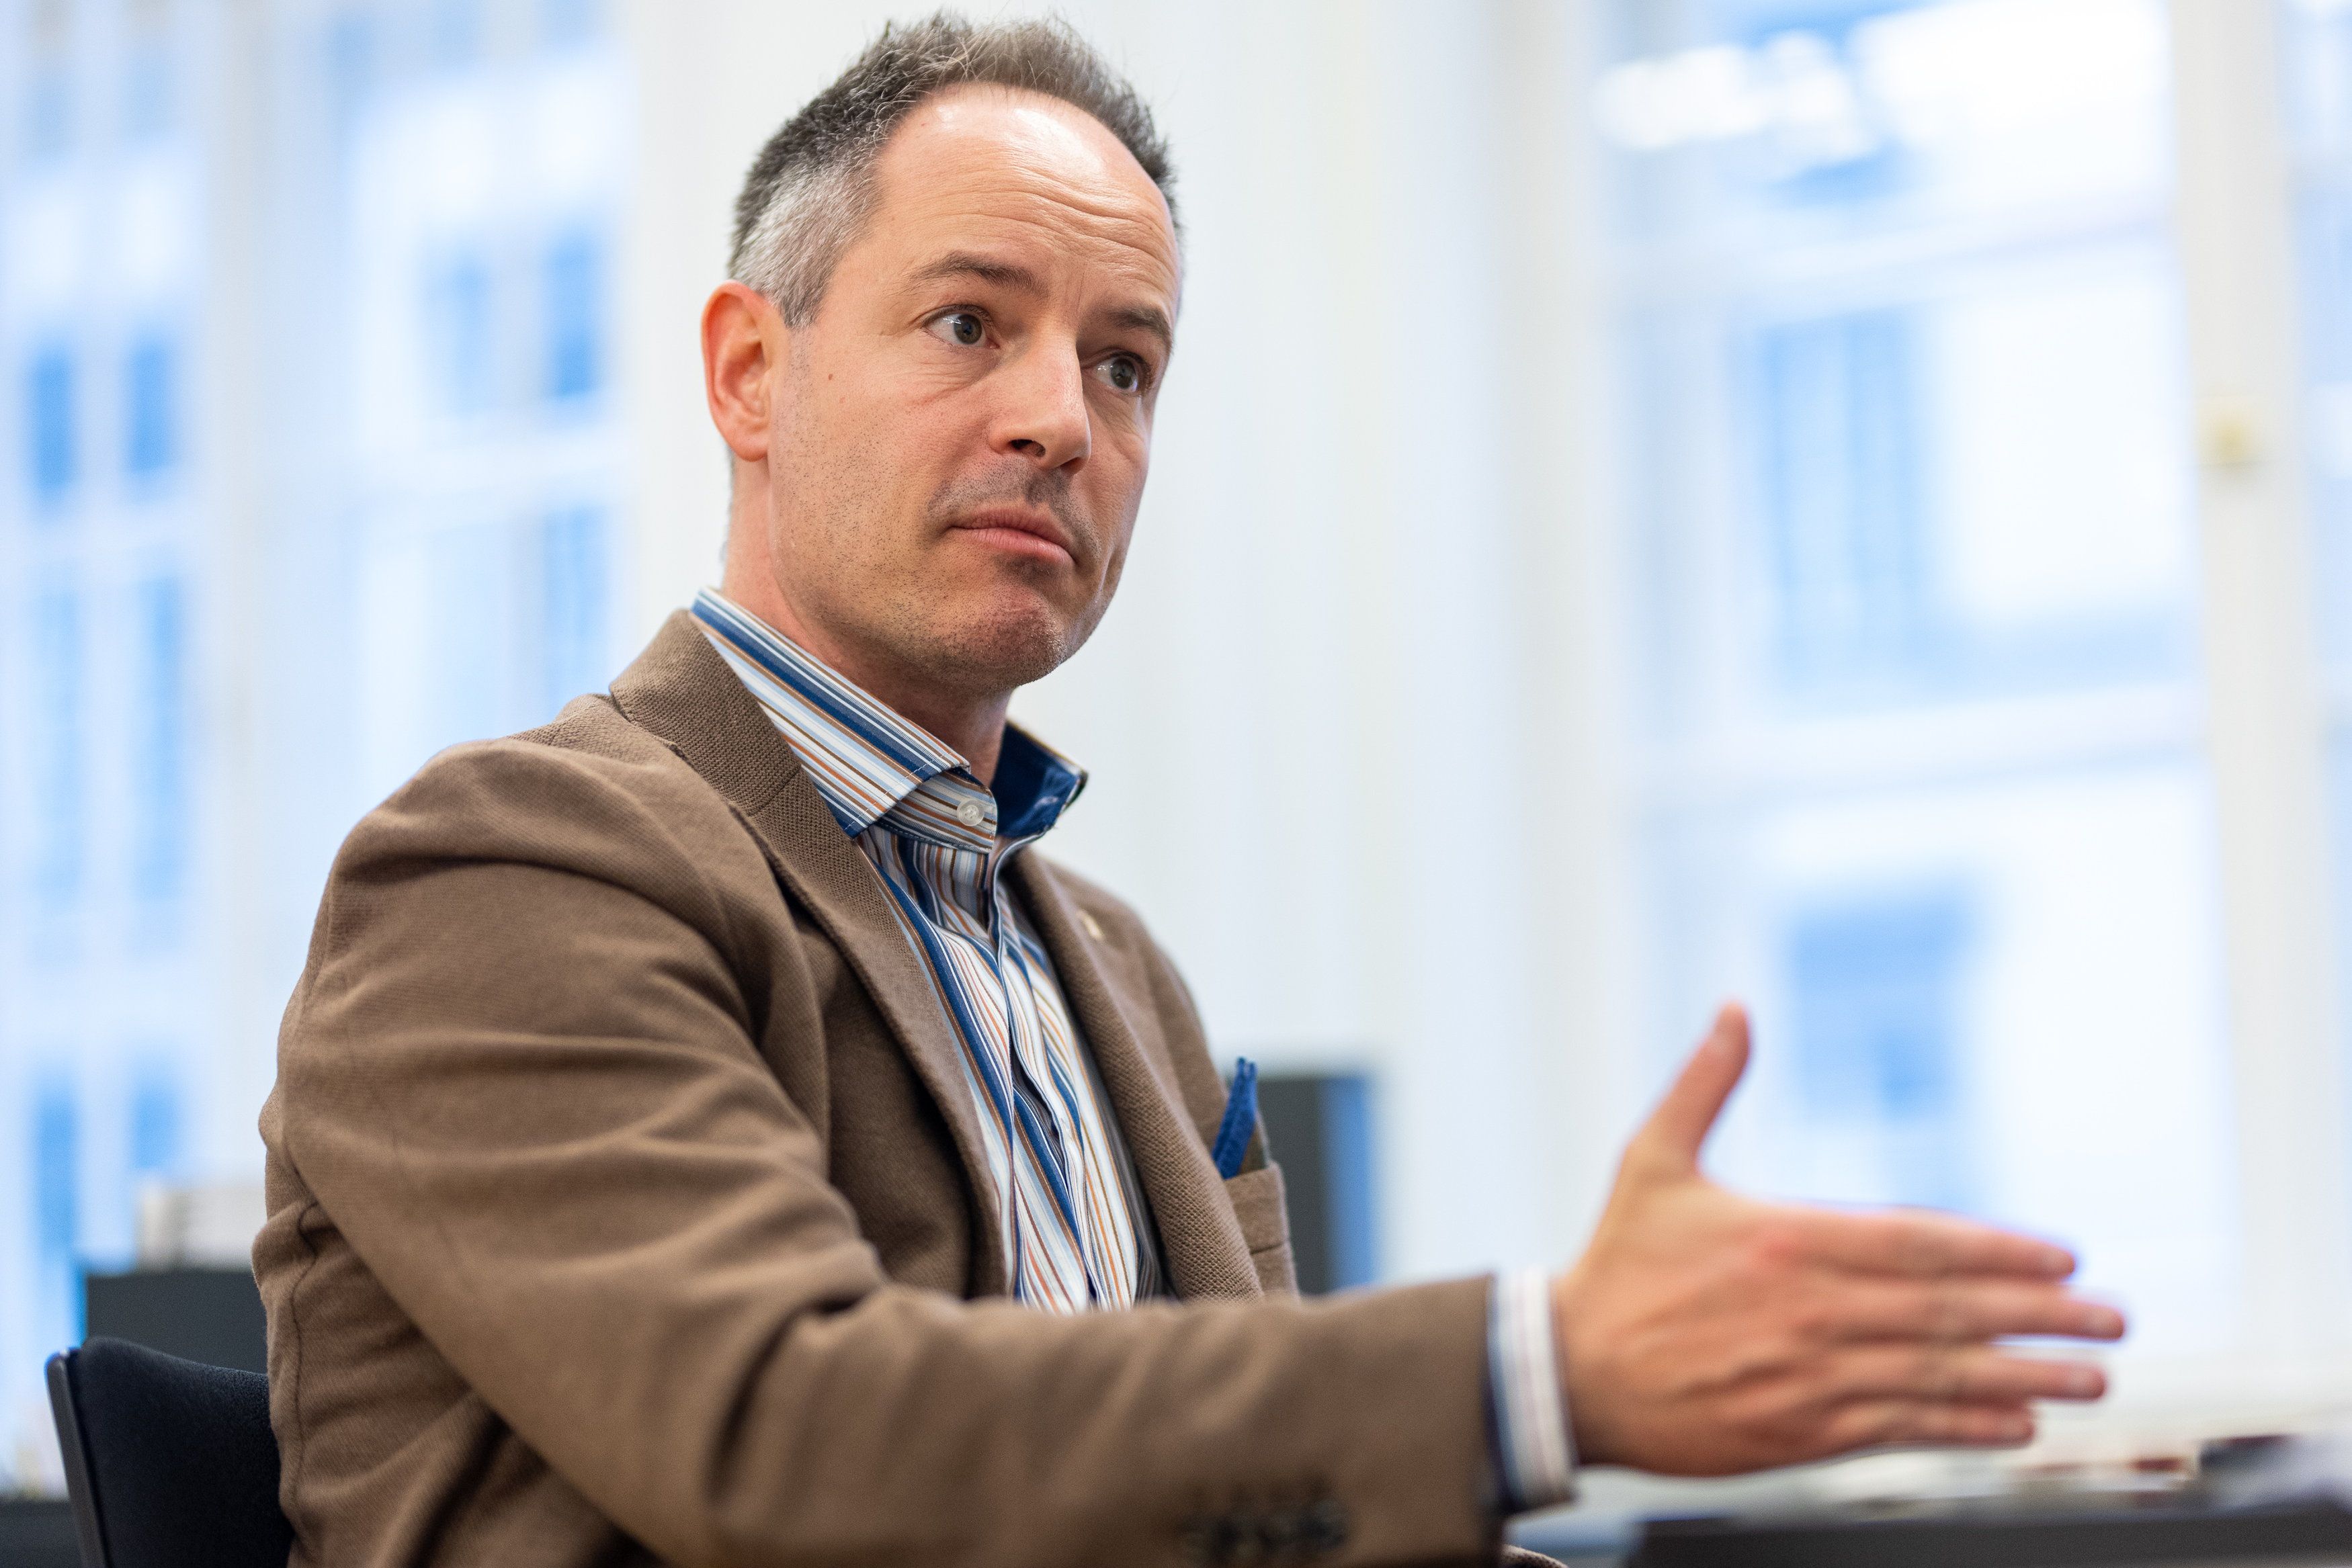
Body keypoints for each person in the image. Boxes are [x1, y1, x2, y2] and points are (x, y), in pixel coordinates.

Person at [253, 15, 2126, 1567]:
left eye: (1123, 364)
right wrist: (1524, 1372)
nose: (1064, 420)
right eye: (971, 324)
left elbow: (1250, 1517)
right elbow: (782, 1440)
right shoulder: (514, 865)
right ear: (751, 370)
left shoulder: (1111, 971)